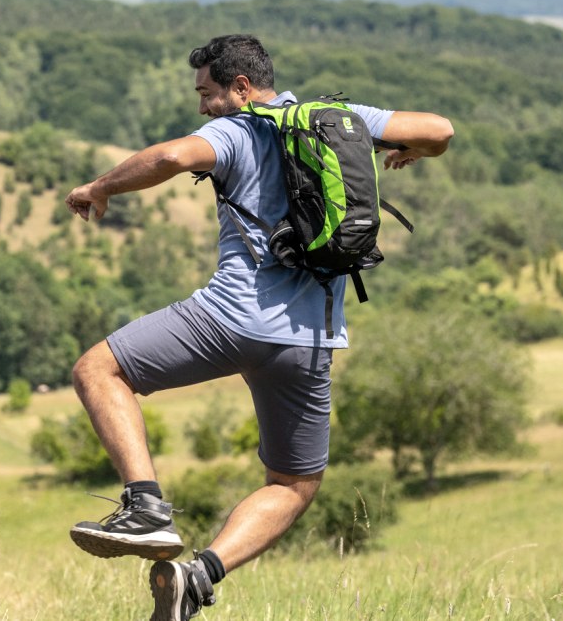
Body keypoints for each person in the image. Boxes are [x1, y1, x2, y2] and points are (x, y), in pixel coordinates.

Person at [62, 34, 453, 620]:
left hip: (230, 318)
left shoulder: (237, 129)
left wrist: (99, 187)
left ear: (240, 88)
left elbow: (170, 158)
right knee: (294, 482)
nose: (201, 107)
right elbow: (440, 129)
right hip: (311, 339)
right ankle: (200, 575)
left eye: (207, 93)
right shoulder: (341, 119)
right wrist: (412, 150)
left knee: (98, 368)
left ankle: (145, 506)